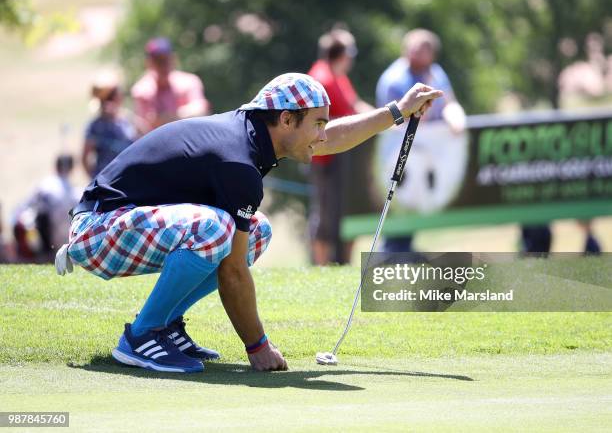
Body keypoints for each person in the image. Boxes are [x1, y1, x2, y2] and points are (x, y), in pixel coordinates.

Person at [55, 73, 442, 373]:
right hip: (96, 232)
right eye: (318, 124)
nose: (322, 135)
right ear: (287, 119)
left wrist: (397, 111)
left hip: (119, 227)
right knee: (217, 230)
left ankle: (165, 325)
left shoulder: (257, 134)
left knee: (256, 230)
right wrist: (257, 346)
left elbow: (331, 138)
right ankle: (141, 337)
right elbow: (234, 274)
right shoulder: (239, 162)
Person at [376, 28, 466, 252]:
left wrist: (456, 117)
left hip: (430, 155)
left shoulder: (435, 72)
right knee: (401, 212)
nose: (418, 55)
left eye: (424, 51)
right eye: (414, 50)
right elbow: (393, 121)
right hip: (400, 155)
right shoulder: (394, 79)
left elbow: (449, 103)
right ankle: (391, 254)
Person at [307, 28, 373, 265]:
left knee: (339, 213)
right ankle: (321, 266)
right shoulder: (322, 78)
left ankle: (337, 263)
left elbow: (354, 106)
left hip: (338, 157)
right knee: (324, 215)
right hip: (324, 159)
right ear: (342, 54)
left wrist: (385, 118)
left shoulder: (338, 77)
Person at [131, 37, 211, 134]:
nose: (163, 65)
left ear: (173, 59)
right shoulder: (142, 90)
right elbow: (143, 128)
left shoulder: (189, 81)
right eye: (158, 61)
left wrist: (170, 117)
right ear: (149, 63)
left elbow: (201, 110)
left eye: (166, 60)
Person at [13, 155, 80, 262]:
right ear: (72, 169)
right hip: (62, 242)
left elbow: (22, 209)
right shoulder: (76, 192)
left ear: (56, 166)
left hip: (42, 241)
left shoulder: (44, 185)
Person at [82, 73, 137, 179]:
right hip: (108, 180)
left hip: (130, 177)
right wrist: (95, 180)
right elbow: (85, 158)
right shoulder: (95, 126)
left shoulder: (128, 119)